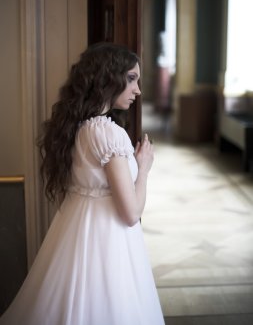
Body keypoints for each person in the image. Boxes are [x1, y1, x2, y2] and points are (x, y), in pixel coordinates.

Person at [0, 42, 165, 325]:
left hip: (76, 234)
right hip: (108, 240)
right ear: (107, 78)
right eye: (131, 79)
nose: (138, 90)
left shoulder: (79, 127)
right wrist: (144, 169)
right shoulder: (110, 134)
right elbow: (130, 214)